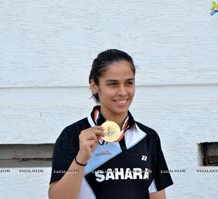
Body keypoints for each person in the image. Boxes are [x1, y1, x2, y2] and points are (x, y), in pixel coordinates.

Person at [48, 49, 173, 199]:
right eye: (113, 84)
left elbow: (157, 195)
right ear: (94, 86)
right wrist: (81, 158)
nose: (122, 92)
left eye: (129, 83)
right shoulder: (73, 135)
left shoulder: (148, 137)